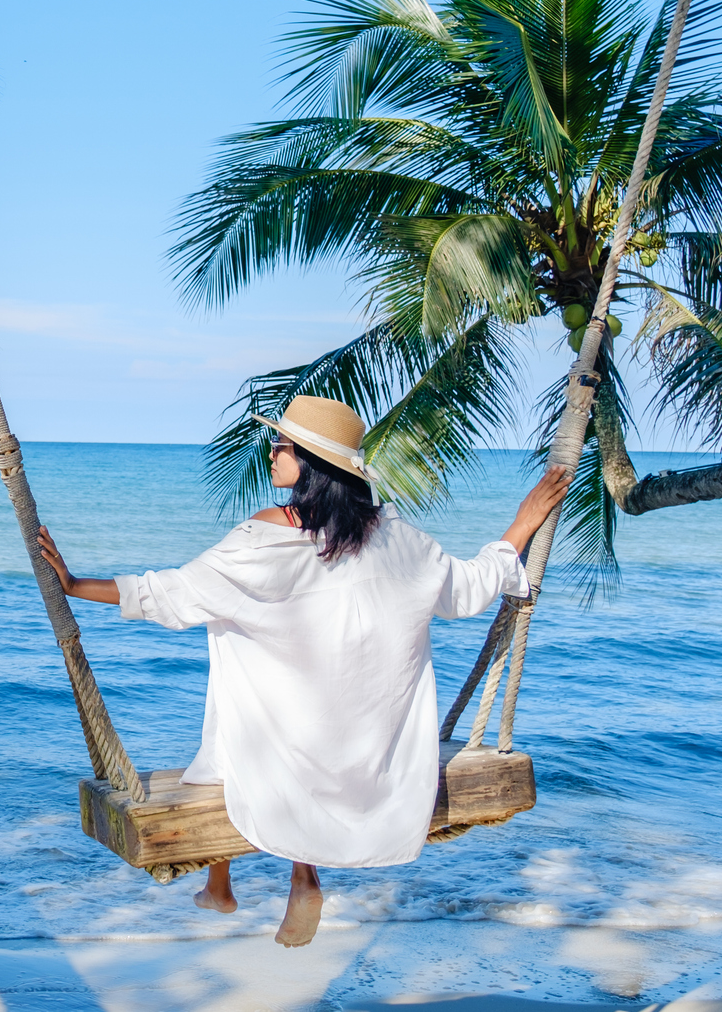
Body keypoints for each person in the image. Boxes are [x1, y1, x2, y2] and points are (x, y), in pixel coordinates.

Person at [37, 395, 571, 947]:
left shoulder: (263, 538)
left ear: (311, 463)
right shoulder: (398, 538)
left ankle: (228, 886)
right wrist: (521, 524)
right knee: (269, 667)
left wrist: (75, 586)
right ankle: (292, 879)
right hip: (373, 759)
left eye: (282, 445)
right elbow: (467, 588)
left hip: (288, 756)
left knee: (241, 683)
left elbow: (172, 592)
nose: (271, 452)